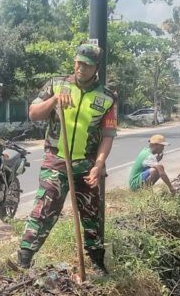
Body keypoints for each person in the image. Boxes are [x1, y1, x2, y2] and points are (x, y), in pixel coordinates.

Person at [18, 43, 117, 273]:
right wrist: (54, 100)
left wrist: (99, 165)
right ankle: (24, 259)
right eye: (78, 62)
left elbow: (108, 136)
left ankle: (97, 263)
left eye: (86, 65)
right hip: (56, 160)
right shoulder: (56, 84)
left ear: (96, 68)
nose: (80, 67)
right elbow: (33, 114)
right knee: (45, 208)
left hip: (86, 164)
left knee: (92, 215)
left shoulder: (107, 98)